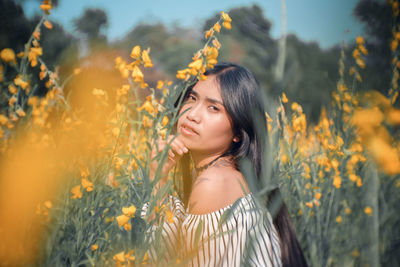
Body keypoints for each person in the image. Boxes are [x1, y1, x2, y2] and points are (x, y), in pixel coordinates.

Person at [144, 62, 308, 267]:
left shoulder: (213, 183)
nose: (193, 115)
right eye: (192, 98)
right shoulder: (234, 175)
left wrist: (156, 178)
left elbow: (159, 260)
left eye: (213, 108)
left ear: (239, 133)